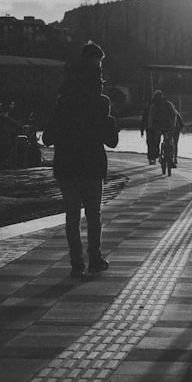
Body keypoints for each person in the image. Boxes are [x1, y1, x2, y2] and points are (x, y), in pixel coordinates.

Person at [43, 42, 119, 278]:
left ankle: (77, 262)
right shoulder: (101, 103)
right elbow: (112, 141)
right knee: (93, 214)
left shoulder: (63, 100)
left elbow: (47, 138)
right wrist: (107, 124)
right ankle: (95, 258)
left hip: (66, 165)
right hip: (92, 165)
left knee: (72, 215)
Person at [140, 90, 178, 165]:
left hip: (157, 127)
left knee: (155, 142)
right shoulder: (168, 104)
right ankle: (171, 158)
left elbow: (150, 117)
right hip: (168, 126)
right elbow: (174, 115)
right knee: (169, 142)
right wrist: (173, 125)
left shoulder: (153, 105)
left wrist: (149, 127)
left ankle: (156, 157)